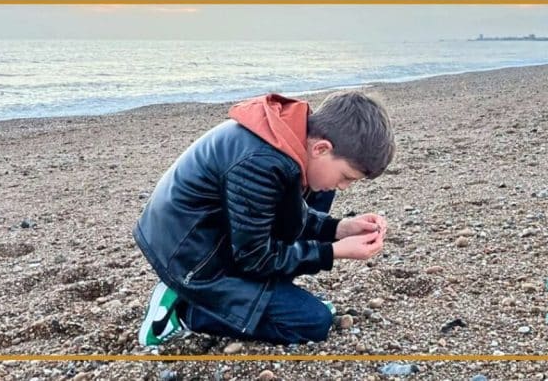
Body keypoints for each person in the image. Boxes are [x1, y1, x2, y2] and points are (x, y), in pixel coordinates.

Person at [134, 91, 396, 346]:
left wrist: (338, 228)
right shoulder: (261, 163)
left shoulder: (290, 140)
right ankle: (183, 310)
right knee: (313, 322)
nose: (345, 186)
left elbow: (289, 215)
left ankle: (266, 293)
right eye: (347, 176)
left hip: (216, 233)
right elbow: (254, 257)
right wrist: (332, 252)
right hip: (189, 257)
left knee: (320, 193)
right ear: (321, 148)